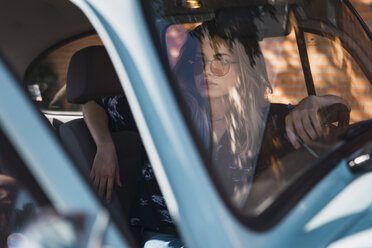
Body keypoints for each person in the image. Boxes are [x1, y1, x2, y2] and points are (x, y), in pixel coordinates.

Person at [82, 14, 350, 246]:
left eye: (220, 61)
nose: (208, 70)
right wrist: (105, 144)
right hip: (166, 240)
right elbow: (93, 104)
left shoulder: (270, 119)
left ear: (244, 69)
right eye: (199, 61)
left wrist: (311, 102)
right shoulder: (164, 112)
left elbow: (338, 114)